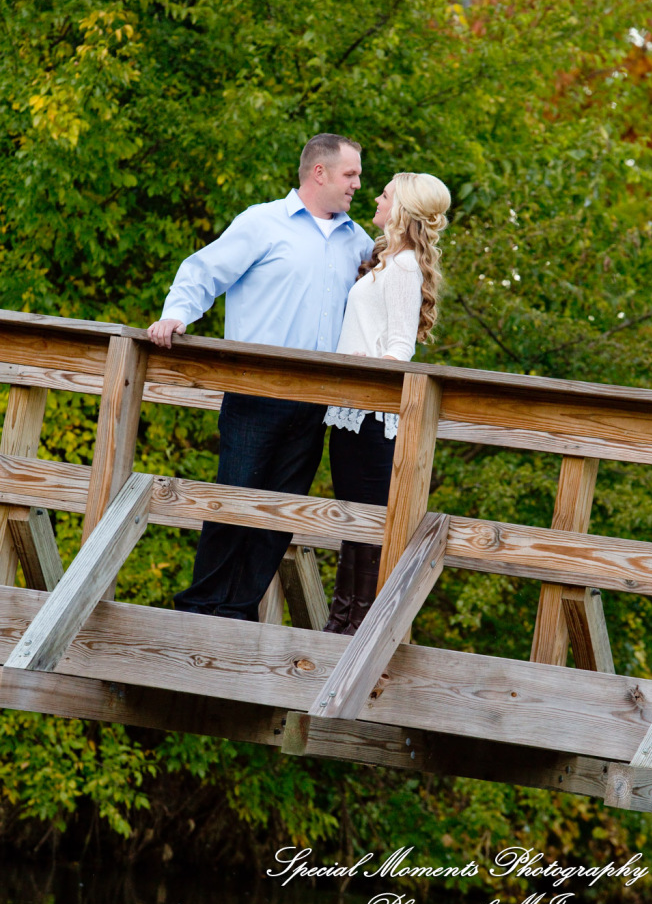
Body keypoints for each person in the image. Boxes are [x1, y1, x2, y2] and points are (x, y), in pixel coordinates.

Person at [148, 134, 374, 621]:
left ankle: (239, 612)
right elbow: (202, 271)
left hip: (319, 399)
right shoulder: (263, 222)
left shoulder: (358, 240)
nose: (358, 183)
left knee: (280, 514)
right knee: (235, 499)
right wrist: (177, 316)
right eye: (350, 174)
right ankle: (200, 610)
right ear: (320, 173)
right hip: (256, 391)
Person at [322, 171, 451, 635]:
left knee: (369, 523)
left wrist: (367, 365)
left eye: (386, 194)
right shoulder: (386, 259)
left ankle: (360, 626)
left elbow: (401, 348)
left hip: (374, 418)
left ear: (402, 209)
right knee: (353, 518)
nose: (376, 197)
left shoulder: (403, 267)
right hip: (351, 413)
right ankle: (345, 620)